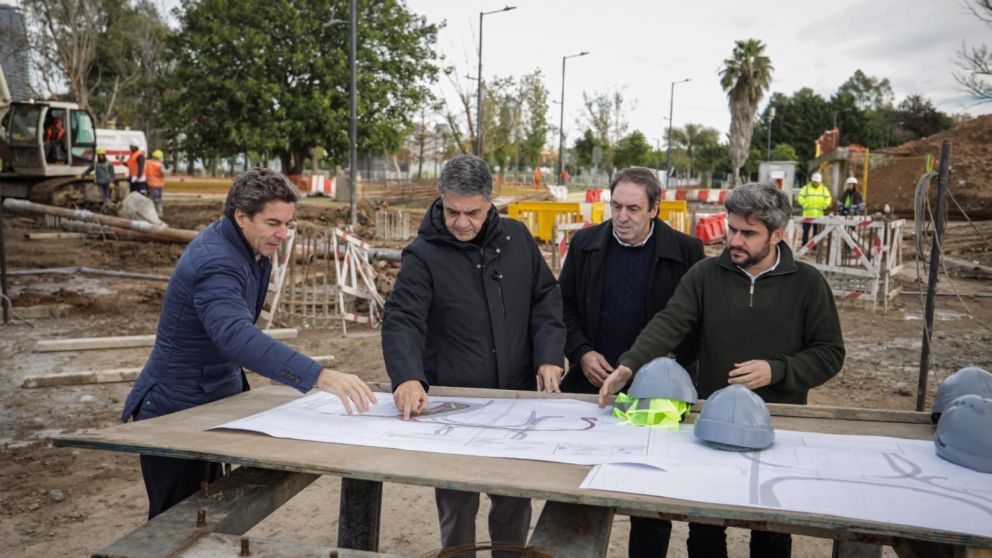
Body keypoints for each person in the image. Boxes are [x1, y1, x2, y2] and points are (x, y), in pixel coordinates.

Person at [598, 182, 845, 558]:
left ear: (777, 235)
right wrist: (629, 366)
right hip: (711, 426)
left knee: (771, 532)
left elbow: (830, 353)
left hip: (778, 428)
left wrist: (777, 370)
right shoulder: (705, 275)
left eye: (748, 233)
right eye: (732, 229)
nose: (735, 240)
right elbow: (670, 322)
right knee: (705, 530)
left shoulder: (808, 284)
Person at [121, 168, 376, 519]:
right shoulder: (216, 262)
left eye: (287, 224)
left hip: (208, 401)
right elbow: (235, 334)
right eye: (273, 223)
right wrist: (319, 375)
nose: (282, 234)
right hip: (175, 408)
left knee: (206, 517)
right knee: (174, 523)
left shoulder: (248, 248)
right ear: (241, 217)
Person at [382, 154, 565, 557]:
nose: (461, 222)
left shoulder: (518, 239)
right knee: (457, 504)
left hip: (515, 398)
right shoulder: (423, 254)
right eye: (452, 211)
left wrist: (549, 355)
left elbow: (546, 298)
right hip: (455, 404)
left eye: (472, 213)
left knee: (513, 498)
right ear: (440, 200)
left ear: (490, 202)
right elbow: (402, 318)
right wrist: (407, 376)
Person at [558, 166, 703, 557]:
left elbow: (695, 321)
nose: (622, 216)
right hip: (592, 388)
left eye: (633, 209)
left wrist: (666, 364)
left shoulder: (686, 251)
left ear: (654, 208)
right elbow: (563, 306)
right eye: (616, 206)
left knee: (650, 500)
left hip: (657, 395)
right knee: (577, 491)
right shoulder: (585, 244)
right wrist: (581, 352)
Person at [796, 171, 832, 245]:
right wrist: (805, 204)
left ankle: (815, 246)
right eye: (814, 181)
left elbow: (828, 198)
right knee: (805, 230)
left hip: (818, 214)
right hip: (807, 214)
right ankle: (804, 245)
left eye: (817, 182)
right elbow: (800, 197)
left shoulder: (823, 189)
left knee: (817, 232)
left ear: (819, 182)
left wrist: (824, 205)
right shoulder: (806, 188)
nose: (815, 183)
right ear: (811, 180)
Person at [146, 149, 167, 217]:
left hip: (150, 183)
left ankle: (150, 211)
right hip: (158, 185)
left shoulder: (148, 162)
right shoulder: (159, 165)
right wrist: (170, 168)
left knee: (151, 199)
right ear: (159, 158)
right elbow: (165, 173)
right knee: (157, 200)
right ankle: (159, 213)